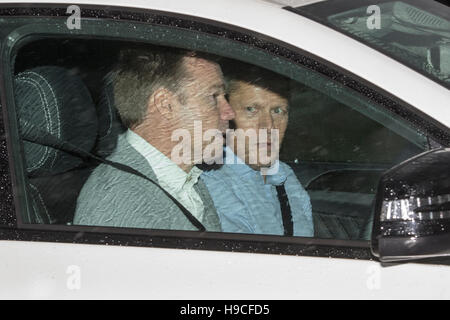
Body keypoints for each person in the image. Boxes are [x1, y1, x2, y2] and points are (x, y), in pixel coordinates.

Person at [74, 47, 235, 231]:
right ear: (165, 105)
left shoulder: (183, 181)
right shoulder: (118, 203)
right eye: (213, 97)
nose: (229, 112)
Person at [201, 65, 313, 236]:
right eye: (251, 110)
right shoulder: (209, 181)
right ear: (225, 115)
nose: (268, 126)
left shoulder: (285, 175)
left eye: (278, 111)